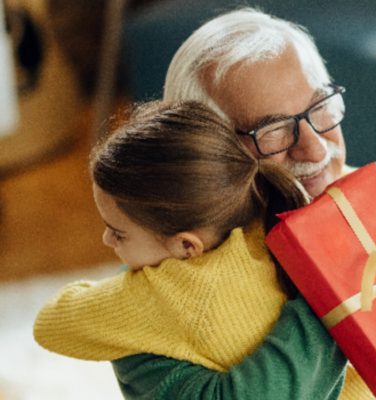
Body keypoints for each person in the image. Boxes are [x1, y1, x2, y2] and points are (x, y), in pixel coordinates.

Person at [111, 7, 376, 399]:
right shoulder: (158, 290)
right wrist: (333, 283)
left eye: (320, 108)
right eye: (274, 131)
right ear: (207, 152)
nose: (315, 148)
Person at [34, 101, 310, 371]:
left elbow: (49, 323)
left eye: (118, 234)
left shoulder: (172, 297)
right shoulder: (264, 215)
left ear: (186, 246)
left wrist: (129, 285)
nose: (106, 239)